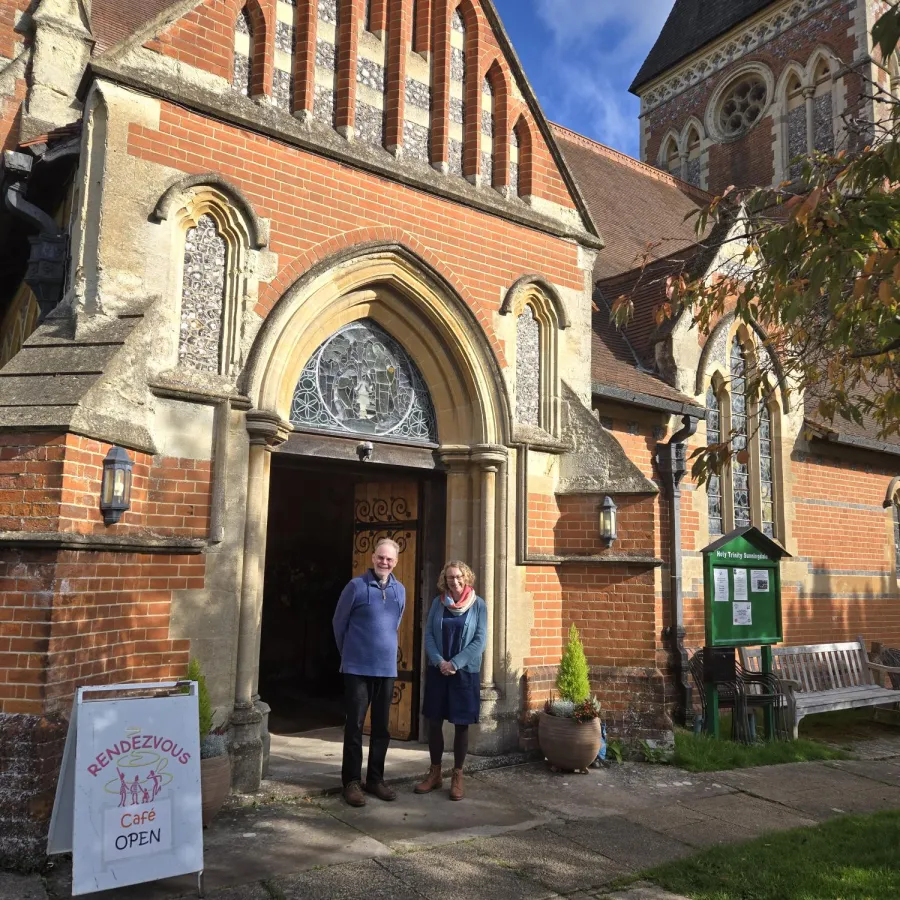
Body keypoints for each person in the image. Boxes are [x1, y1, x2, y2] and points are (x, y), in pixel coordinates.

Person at [332, 538, 406, 807]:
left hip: (385, 669)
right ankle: (351, 782)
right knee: (354, 726)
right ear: (372, 557)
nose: (384, 562)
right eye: (380, 557)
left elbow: (395, 622)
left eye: (389, 559)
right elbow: (338, 623)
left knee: (382, 727)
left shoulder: (400, 590)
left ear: (395, 562)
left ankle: (375, 779)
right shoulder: (355, 587)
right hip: (357, 668)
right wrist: (350, 654)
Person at [414, 560, 487, 801]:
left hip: (464, 673)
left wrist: (455, 663)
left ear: (466, 578)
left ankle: (457, 774)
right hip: (439, 671)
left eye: (458, 577)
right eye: (449, 578)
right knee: (434, 722)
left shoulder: (479, 606)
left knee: (461, 724)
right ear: (444, 580)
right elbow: (429, 636)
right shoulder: (438, 603)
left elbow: (480, 641)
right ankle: (435, 773)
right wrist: (439, 662)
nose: (453, 581)